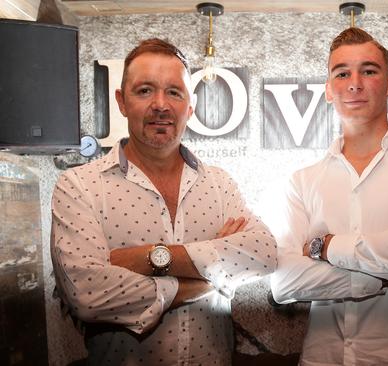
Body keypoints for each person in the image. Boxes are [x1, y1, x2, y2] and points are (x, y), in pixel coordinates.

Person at [50, 38, 276, 365]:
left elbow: (264, 253)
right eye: (144, 91)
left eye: (174, 92)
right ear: (121, 102)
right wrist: (211, 274)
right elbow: (87, 295)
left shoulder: (219, 183)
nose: (160, 104)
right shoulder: (79, 186)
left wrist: (150, 259)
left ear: (190, 105)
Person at [270, 27, 388, 365]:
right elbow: (285, 283)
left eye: (369, 71)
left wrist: (326, 248)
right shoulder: (302, 181)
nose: (354, 83)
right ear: (329, 90)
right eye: (342, 73)